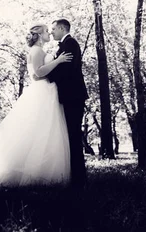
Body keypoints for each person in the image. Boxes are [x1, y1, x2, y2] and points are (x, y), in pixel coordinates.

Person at [0, 23, 72, 187]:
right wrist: (58, 61)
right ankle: (35, 174)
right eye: (46, 31)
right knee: (39, 130)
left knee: (43, 131)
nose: (49, 33)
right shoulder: (37, 51)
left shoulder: (38, 50)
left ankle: (43, 171)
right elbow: (38, 73)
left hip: (46, 90)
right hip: (42, 91)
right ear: (38, 35)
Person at [47, 18, 88, 188]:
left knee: (73, 135)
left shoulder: (70, 44)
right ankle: (75, 175)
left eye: (54, 29)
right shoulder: (65, 45)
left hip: (73, 96)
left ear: (63, 28)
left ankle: (79, 178)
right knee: (70, 135)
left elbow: (66, 70)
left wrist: (47, 76)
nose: (52, 32)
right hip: (70, 96)